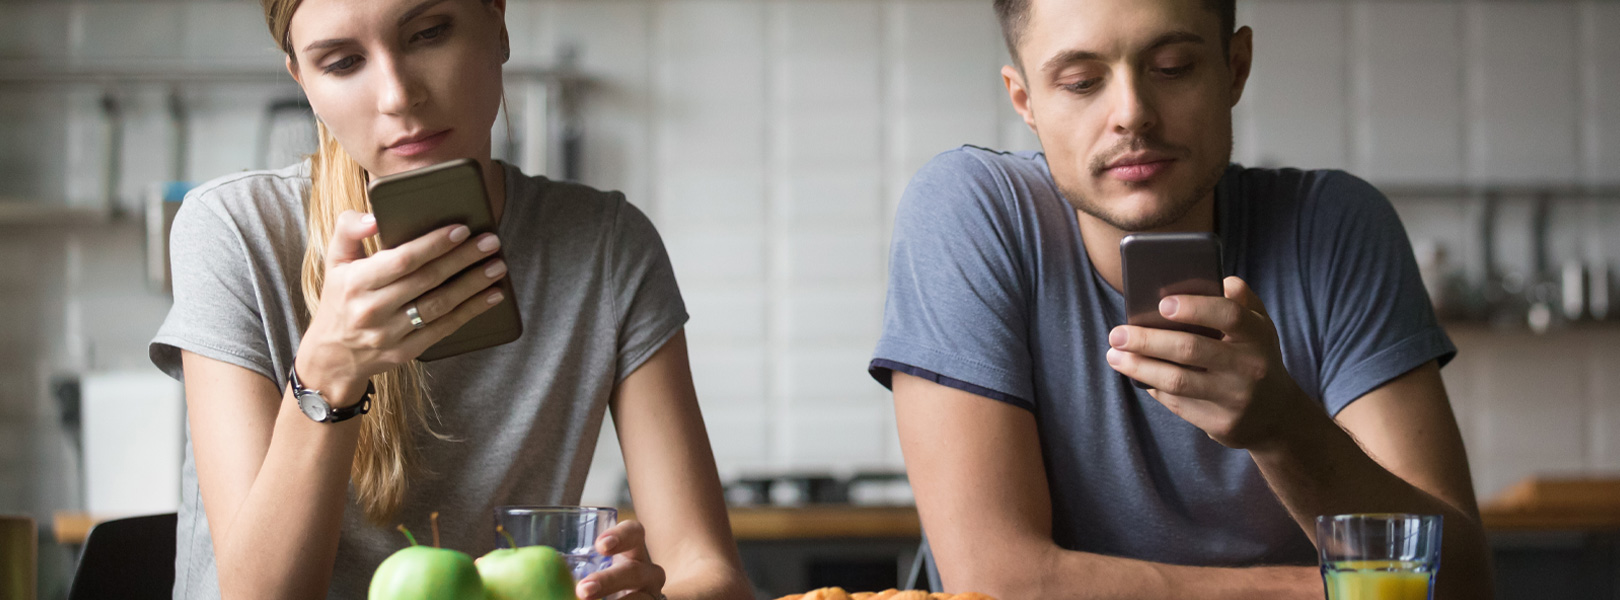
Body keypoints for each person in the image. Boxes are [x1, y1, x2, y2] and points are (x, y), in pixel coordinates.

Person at [868, 0, 1492, 597]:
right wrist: (1339, 591)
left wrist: (1284, 431)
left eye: (1172, 68)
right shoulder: (970, 213)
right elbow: (1001, 584)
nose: (1131, 113)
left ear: (1235, 67)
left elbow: (1459, 582)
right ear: (1025, 100)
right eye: (1082, 82)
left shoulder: (1335, 227)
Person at [148, 1, 753, 599]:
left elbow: (708, 571)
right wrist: (329, 370)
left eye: (429, 33)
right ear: (302, 81)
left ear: (498, 22)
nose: (397, 95)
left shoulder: (607, 246)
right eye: (341, 62)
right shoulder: (234, 230)